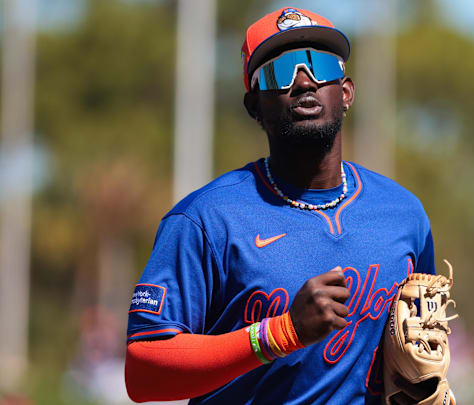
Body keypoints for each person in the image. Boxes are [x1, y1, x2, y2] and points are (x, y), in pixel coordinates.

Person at [125, 7, 438, 404]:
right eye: (279, 71)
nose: (303, 81)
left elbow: (421, 353)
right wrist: (282, 332)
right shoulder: (205, 220)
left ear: (345, 92)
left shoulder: (404, 215)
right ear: (254, 104)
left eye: (319, 64)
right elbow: (143, 372)